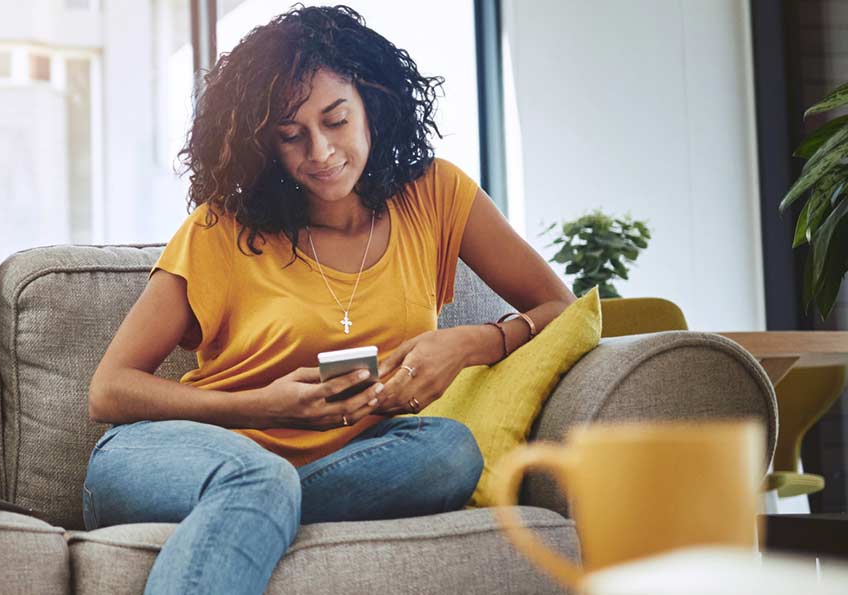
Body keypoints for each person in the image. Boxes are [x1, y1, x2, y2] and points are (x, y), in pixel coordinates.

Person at [83, 5, 576, 594]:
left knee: (449, 450)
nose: (319, 152)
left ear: (373, 103)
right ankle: (260, 497)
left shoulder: (436, 195)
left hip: (347, 466)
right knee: (259, 478)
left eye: (336, 120)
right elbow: (109, 390)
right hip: (183, 457)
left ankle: (258, 513)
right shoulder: (220, 228)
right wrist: (263, 406)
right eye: (291, 136)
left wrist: (471, 342)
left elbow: (560, 309)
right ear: (264, 145)